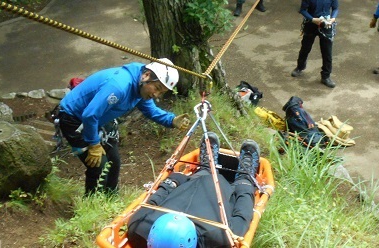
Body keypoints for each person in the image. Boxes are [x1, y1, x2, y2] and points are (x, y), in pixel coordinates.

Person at [57, 58, 191, 195]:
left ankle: (111, 198)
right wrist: (94, 144)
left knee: (113, 161)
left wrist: (172, 120)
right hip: (73, 117)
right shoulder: (120, 86)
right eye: (157, 88)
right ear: (146, 75)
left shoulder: (140, 85)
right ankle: (92, 204)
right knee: (98, 165)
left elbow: (150, 109)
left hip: (98, 117)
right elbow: (89, 115)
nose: (156, 95)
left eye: (161, 92)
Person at [127, 132, 261, 247]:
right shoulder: (221, 237)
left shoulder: (138, 226)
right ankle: (244, 175)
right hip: (222, 188)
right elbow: (243, 212)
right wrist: (245, 186)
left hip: (192, 183)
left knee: (204, 173)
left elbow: (153, 201)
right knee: (242, 184)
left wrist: (173, 181)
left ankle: (208, 167)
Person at [290, 0, 339, 88]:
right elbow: (302, 10)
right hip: (311, 24)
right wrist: (312, 19)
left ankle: (326, 76)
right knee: (305, 47)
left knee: (327, 52)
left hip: (326, 25)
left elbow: (335, 8)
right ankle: (300, 67)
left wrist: (333, 18)